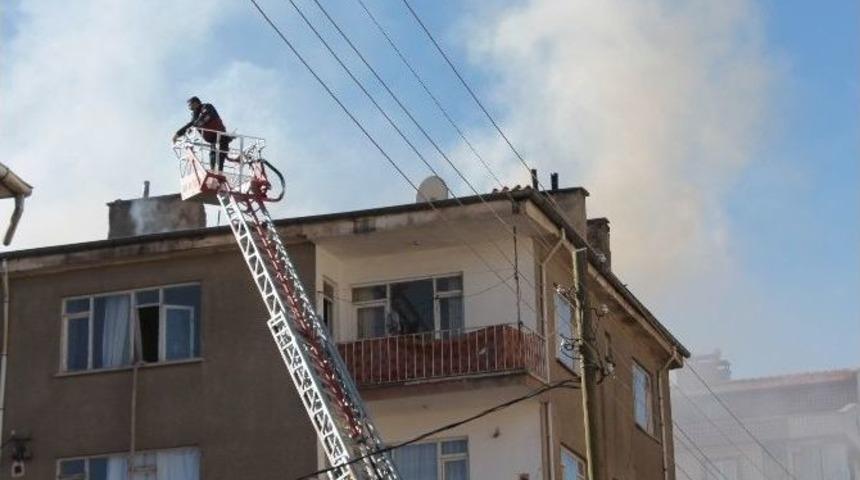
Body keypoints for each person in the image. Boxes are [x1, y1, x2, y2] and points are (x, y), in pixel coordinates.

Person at [173, 97, 232, 172]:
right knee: (213, 156)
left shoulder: (207, 107)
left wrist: (194, 125)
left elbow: (205, 116)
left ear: (195, 103)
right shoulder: (196, 116)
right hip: (213, 140)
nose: (189, 107)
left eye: (190, 104)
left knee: (219, 156)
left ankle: (218, 174)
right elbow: (190, 124)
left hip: (221, 137)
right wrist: (178, 134)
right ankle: (214, 173)